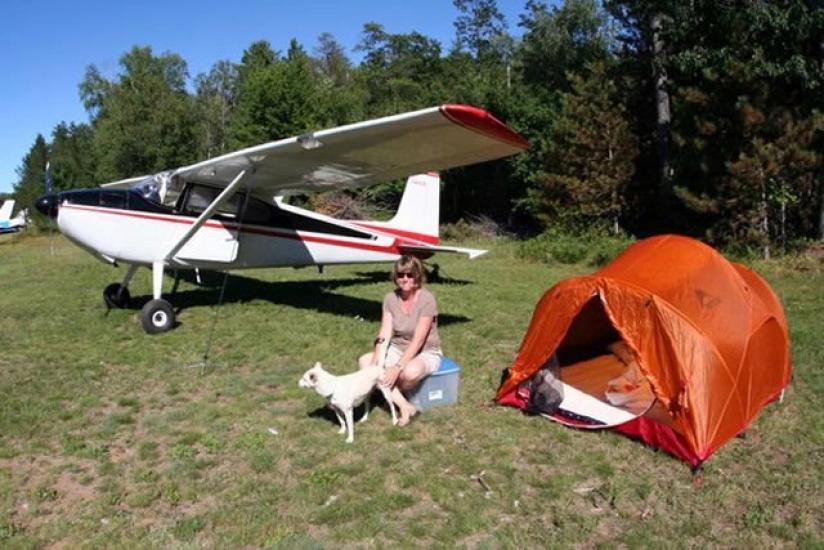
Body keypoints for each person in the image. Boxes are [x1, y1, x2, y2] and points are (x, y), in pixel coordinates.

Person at [359, 255, 442, 426]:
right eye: (400, 275)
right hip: (398, 347)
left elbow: (418, 341)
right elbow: (385, 332)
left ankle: (380, 392)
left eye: (410, 275)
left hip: (425, 350)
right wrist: (377, 357)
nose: (405, 279)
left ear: (417, 276)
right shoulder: (390, 298)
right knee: (365, 362)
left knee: (407, 373)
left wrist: (397, 368)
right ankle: (405, 406)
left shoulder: (427, 299)